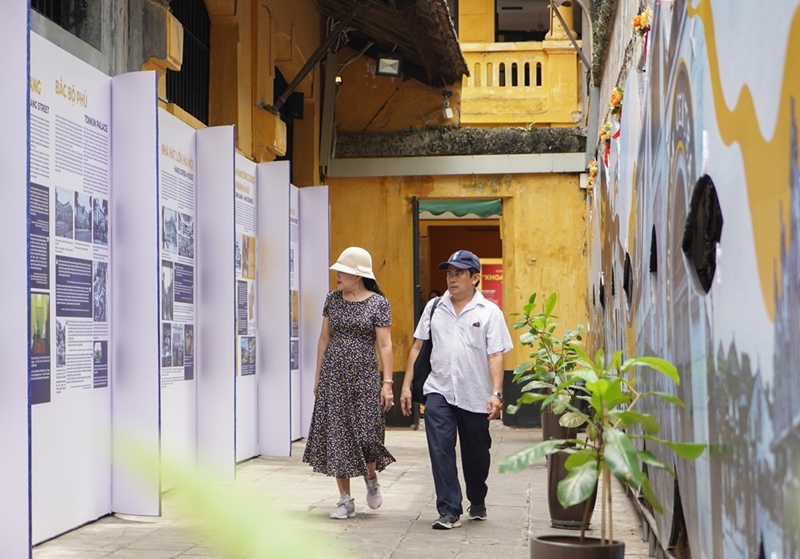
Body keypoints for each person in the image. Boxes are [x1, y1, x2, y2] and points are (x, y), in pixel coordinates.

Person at [401, 249, 513, 530]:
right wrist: (405, 385)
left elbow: (495, 355)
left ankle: (477, 497)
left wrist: (496, 393)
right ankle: (449, 509)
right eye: (449, 273)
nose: (452, 279)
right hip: (439, 389)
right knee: (440, 449)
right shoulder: (434, 307)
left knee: (477, 456)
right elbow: (417, 346)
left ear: (475, 278)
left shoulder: (489, 312)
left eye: (459, 273)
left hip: (475, 394)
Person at [303, 246, 395, 520]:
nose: (337, 276)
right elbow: (324, 338)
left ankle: (371, 477)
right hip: (334, 376)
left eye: (343, 272)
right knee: (337, 435)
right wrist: (318, 376)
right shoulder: (332, 299)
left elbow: (385, 344)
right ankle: (345, 499)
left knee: (368, 434)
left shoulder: (379, 303)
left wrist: (387, 383)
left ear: (358, 275)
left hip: (365, 377)